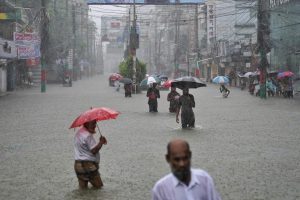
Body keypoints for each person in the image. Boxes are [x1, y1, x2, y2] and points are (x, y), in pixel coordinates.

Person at [151, 139, 221, 200]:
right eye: (177, 160)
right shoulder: (161, 189)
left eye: (185, 158)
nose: (182, 164)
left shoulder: (205, 180)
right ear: (168, 159)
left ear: (190, 155)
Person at [74, 120, 107, 189]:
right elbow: (94, 150)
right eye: (93, 123)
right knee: (99, 188)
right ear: (86, 123)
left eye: (95, 123)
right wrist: (101, 142)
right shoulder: (88, 135)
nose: (95, 126)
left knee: (83, 190)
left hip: (78, 165)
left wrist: (100, 142)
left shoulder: (78, 132)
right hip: (88, 166)